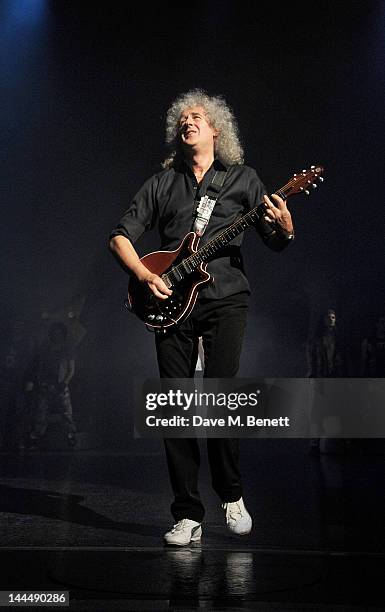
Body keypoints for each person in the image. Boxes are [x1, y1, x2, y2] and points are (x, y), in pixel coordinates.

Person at [109, 89, 294, 546]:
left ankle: (231, 495)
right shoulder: (161, 183)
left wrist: (286, 226)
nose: (188, 121)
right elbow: (120, 235)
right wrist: (142, 274)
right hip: (169, 300)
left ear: (216, 129)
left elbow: (274, 239)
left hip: (225, 297)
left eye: (198, 116)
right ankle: (187, 513)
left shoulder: (244, 179)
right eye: (182, 118)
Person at [28, 322, 77, 448]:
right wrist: (40, 381)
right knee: (41, 413)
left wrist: (65, 382)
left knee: (66, 413)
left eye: (59, 332)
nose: (57, 335)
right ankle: (36, 437)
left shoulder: (67, 349)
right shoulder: (45, 348)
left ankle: (71, 436)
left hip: (61, 386)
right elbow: (40, 366)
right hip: (46, 385)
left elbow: (71, 369)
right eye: (55, 332)